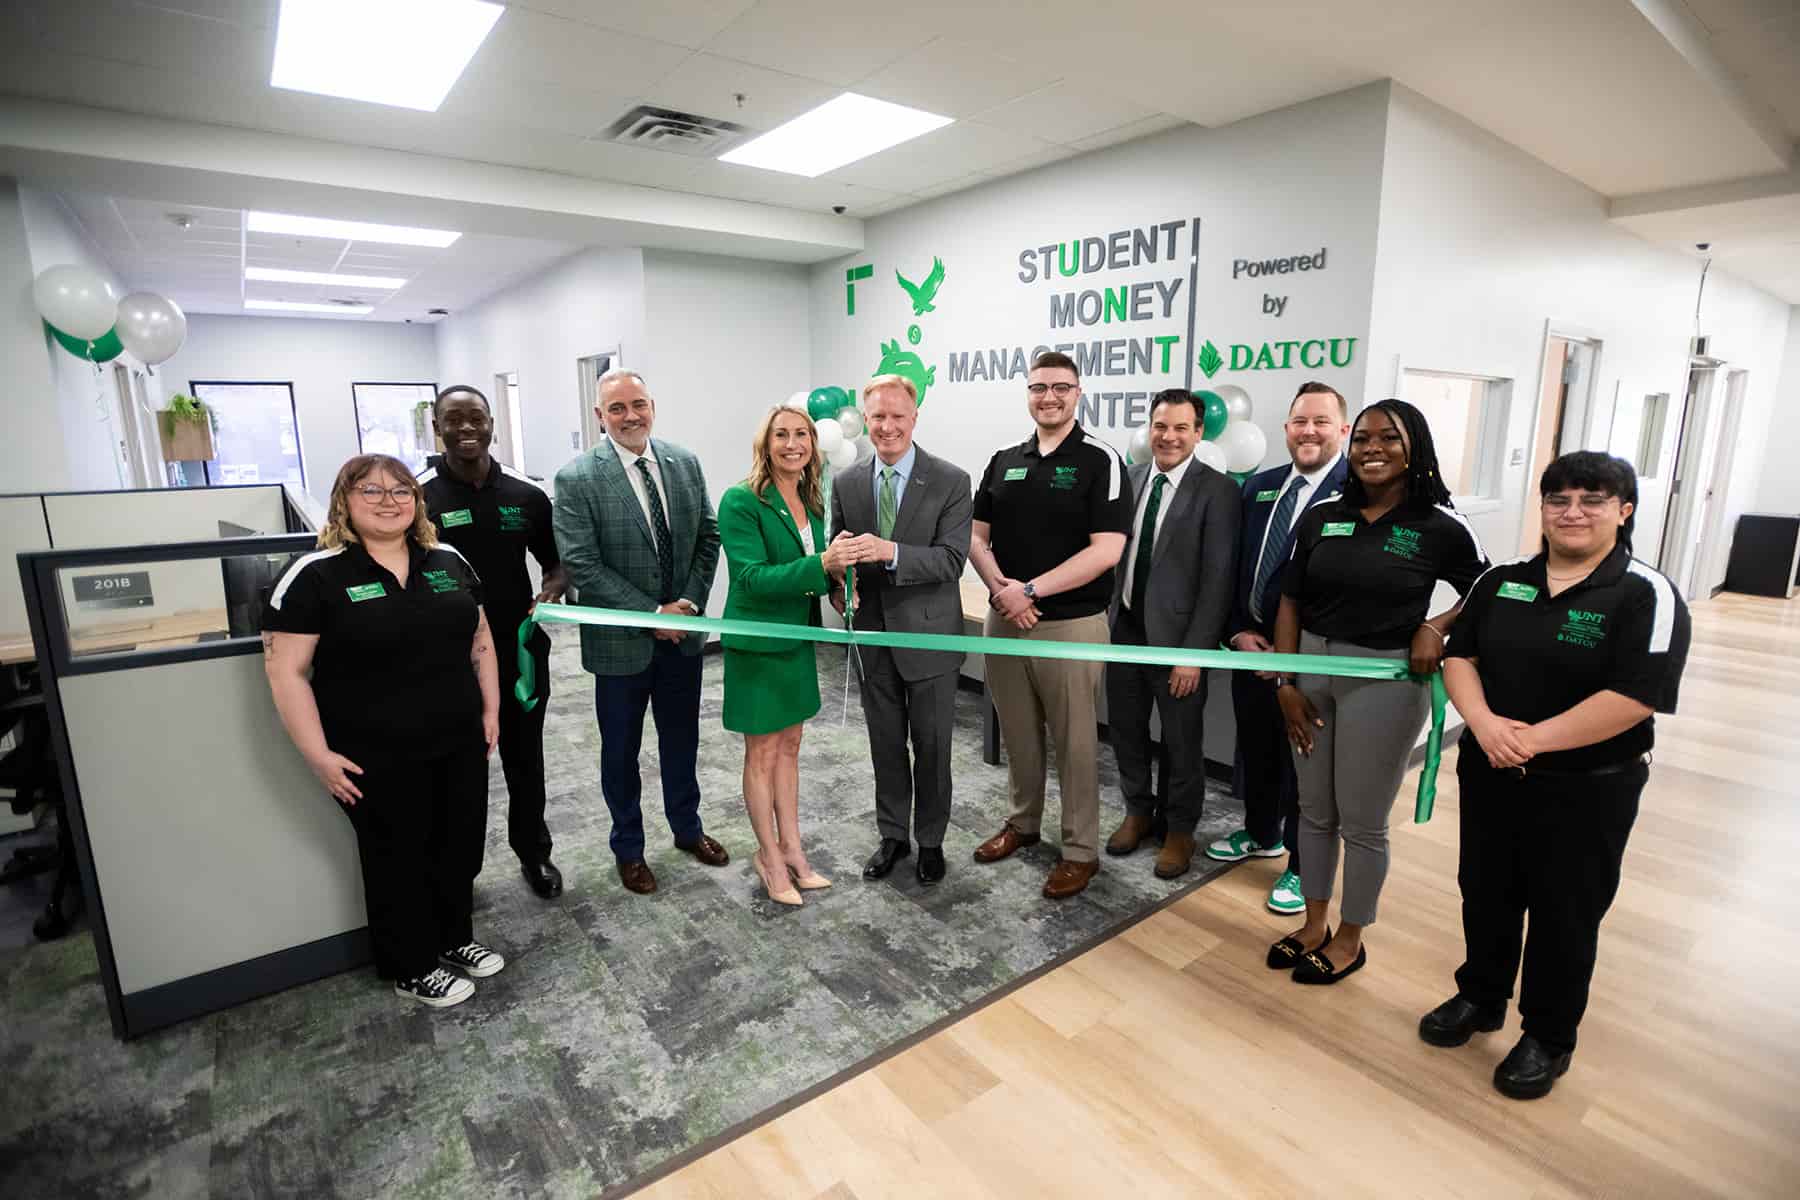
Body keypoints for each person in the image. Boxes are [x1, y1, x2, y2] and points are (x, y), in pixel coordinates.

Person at [1422, 451, 1689, 1100]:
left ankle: (1547, 1035)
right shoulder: (1501, 583)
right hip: (1491, 772)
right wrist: (1483, 725)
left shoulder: (1644, 594)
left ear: (1624, 511)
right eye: (1558, 499)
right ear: (1541, 508)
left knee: (1566, 911)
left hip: (1589, 785)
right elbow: (1462, 658)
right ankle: (1480, 997)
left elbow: (1636, 695)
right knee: (1485, 891)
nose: (1572, 512)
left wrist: (1532, 741)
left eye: (1592, 500)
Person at [262, 454, 502, 1009]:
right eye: (370, 491)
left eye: (400, 491)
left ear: (417, 503)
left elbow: (481, 637)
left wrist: (490, 709)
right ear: (344, 500)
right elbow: (286, 671)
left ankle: (453, 937)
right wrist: (317, 754)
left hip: (458, 736)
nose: (388, 501)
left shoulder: (447, 559)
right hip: (374, 750)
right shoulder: (315, 575)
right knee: (398, 854)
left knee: (459, 842)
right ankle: (411, 963)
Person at [1270, 398, 1487, 983]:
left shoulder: (1440, 524)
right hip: (1311, 672)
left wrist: (1434, 626)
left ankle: (1349, 937)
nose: (1372, 448)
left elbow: (1489, 591)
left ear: (1414, 447)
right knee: (1313, 810)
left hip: (1386, 682)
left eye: (1388, 438)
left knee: (1362, 820)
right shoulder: (1321, 516)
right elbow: (1290, 599)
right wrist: (1286, 682)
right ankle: (1312, 925)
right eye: (1362, 437)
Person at [551, 369, 725, 896]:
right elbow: (582, 564)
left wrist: (688, 604)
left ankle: (687, 829)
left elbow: (708, 537)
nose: (631, 416)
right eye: (618, 408)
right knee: (620, 751)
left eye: (639, 404)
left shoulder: (684, 462)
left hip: (682, 638)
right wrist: (654, 613)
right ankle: (628, 847)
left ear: (653, 405)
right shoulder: (577, 478)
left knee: (681, 740)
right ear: (600, 416)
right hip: (621, 645)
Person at [969, 349, 1133, 900]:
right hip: (1005, 619)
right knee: (1018, 734)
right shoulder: (1004, 459)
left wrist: (1030, 591)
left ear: (1078, 392)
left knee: (1075, 743)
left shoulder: (1100, 460)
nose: (1049, 396)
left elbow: (1107, 550)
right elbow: (975, 537)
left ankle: (1079, 850)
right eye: (1039, 387)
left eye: (1061, 387)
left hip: (1070, 624)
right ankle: (1022, 823)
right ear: (1028, 393)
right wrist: (1001, 591)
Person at [419, 385, 568, 898]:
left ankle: (535, 855)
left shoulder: (526, 495)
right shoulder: (417, 498)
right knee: (462, 769)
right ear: (437, 428)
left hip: (519, 650)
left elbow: (557, 561)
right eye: (453, 420)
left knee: (525, 760)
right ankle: (460, 871)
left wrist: (548, 590)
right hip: (449, 661)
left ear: (491, 426)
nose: (466, 428)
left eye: (476, 418)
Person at [1208, 381, 1350, 915]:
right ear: (1286, 429)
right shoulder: (1260, 488)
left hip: (1311, 659)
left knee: (1306, 768)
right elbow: (1234, 566)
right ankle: (1261, 832)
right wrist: (1238, 631)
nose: (1308, 431)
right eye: (1299, 421)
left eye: (1320, 421)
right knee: (1260, 750)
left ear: (1342, 430)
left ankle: (1300, 864)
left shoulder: (1354, 496)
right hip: (1253, 650)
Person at [827, 375, 972, 886]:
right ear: (865, 420)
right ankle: (893, 835)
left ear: (914, 419)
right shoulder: (846, 482)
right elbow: (836, 557)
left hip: (931, 640)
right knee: (885, 745)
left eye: (897, 416)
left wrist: (891, 553)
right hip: (871, 639)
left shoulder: (952, 480)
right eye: (878, 417)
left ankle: (931, 841)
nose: (887, 427)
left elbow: (952, 561)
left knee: (932, 749)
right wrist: (840, 591)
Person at [718, 406, 859, 906]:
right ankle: (768, 857)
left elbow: (813, 575)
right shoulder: (741, 501)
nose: (793, 443)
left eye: (801, 434)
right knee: (762, 753)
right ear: (766, 444)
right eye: (782, 435)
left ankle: (793, 850)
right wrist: (821, 563)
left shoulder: (810, 498)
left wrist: (838, 586)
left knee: (791, 747)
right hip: (757, 644)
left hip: (797, 639)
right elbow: (751, 577)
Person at [1105, 389, 1241, 879]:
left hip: (1180, 642)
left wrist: (1194, 654)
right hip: (1126, 632)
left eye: (1181, 428)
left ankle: (1180, 830)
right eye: (1161, 426)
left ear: (1198, 433)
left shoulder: (1218, 491)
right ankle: (1139, 812)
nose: (1169, 436)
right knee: (1126, 732)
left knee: (1182, 742)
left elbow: (1218, 578)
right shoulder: (1135, 477)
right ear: (1150, 428)